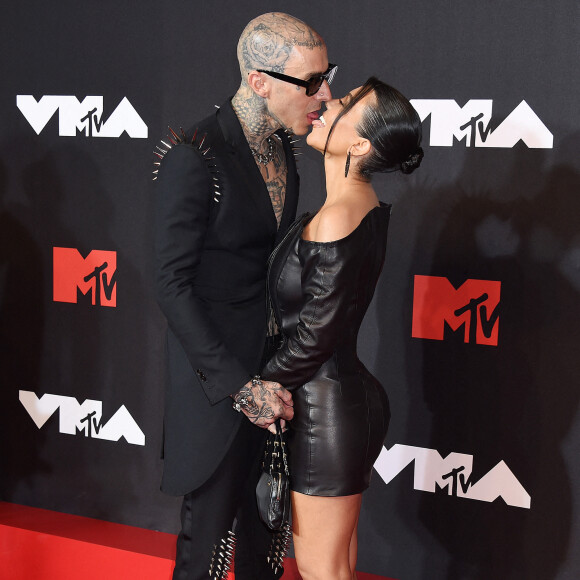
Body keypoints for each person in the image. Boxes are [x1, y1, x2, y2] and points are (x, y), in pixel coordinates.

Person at [153, 12, 334, 580]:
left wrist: (279, 374)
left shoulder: (288, 151)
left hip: (278, 380)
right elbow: (171, 283)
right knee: (204, 553)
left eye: (328, 77)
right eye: (311, 82)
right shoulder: (195, 155)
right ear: (260, 81)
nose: (325, 95)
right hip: (220, 388)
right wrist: (240, 386)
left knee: (266, 546)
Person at [261, 77, 423, 579]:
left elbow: (314, 337)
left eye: (346, 104)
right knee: (334, 569)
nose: (327, 101)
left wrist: (257, 385)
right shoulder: (360, 205)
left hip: (323, 413)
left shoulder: (337, 218)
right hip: (339, 403)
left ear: (359, 144)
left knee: (322, 570)